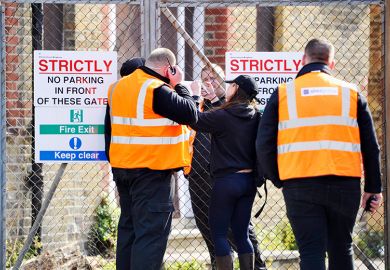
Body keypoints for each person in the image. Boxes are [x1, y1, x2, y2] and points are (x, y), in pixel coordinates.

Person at [256, 38, 383, 270]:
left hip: (299, 183)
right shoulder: (351, 93)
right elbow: (370, 146)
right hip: (345, 184)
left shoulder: (283, 94)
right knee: (341, 246)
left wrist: (278, 178)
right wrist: (373, 188)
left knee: (311, 251)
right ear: (331, 63)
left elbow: (263, 144)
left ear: (302, 60)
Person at [105, 49, 198, 270]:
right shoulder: (156, 89)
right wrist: (180, 85)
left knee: (129, 230)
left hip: (122, 170)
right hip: (152, 173)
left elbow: (108, 130)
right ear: (169, 69)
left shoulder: (117, 87)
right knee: (150, 237)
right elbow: (191, 114)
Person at [187, 65, 266, 270]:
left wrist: (195, 98)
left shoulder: (224, 116)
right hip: (248, 182)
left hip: (226, 182)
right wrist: (215, 100)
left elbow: (196, 120)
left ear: (236, 89)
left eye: (231, 84)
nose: (227, 87)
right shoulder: (255, 116)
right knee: (241, 234)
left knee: (219, 234)